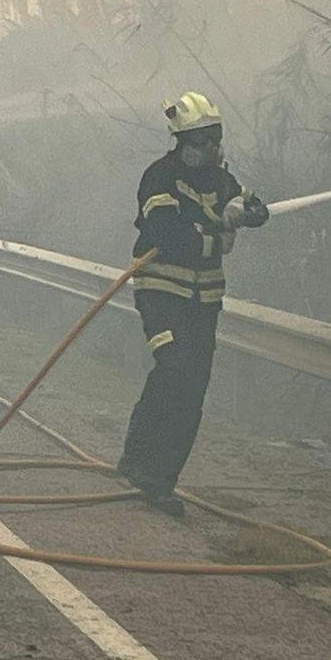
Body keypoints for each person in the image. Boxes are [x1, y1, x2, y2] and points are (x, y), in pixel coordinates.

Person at [118, 91, 269, 516]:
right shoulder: (159, 178)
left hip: (204, 304)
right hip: (162, 295)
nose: (207, 150)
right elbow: (168, 236)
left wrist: (244, 206)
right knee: (174, 370)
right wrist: (217, 238)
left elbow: (261, 210)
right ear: (180, 142)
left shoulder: (222, 182)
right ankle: (137, 461)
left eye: (213, 140)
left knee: (194, 386)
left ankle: (160, 481)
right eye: (198, 142)